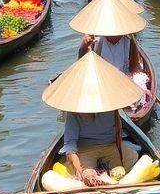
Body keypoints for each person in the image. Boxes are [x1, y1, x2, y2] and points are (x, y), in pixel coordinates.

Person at [44, 52, 144, 186]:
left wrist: (120, 151)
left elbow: (119, 131)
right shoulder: (75, 111)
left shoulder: (111, 103)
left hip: (110, 145)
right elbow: (70, 145)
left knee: (131, 159)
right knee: (86, 178)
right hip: (86, 148)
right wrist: (82, 170)